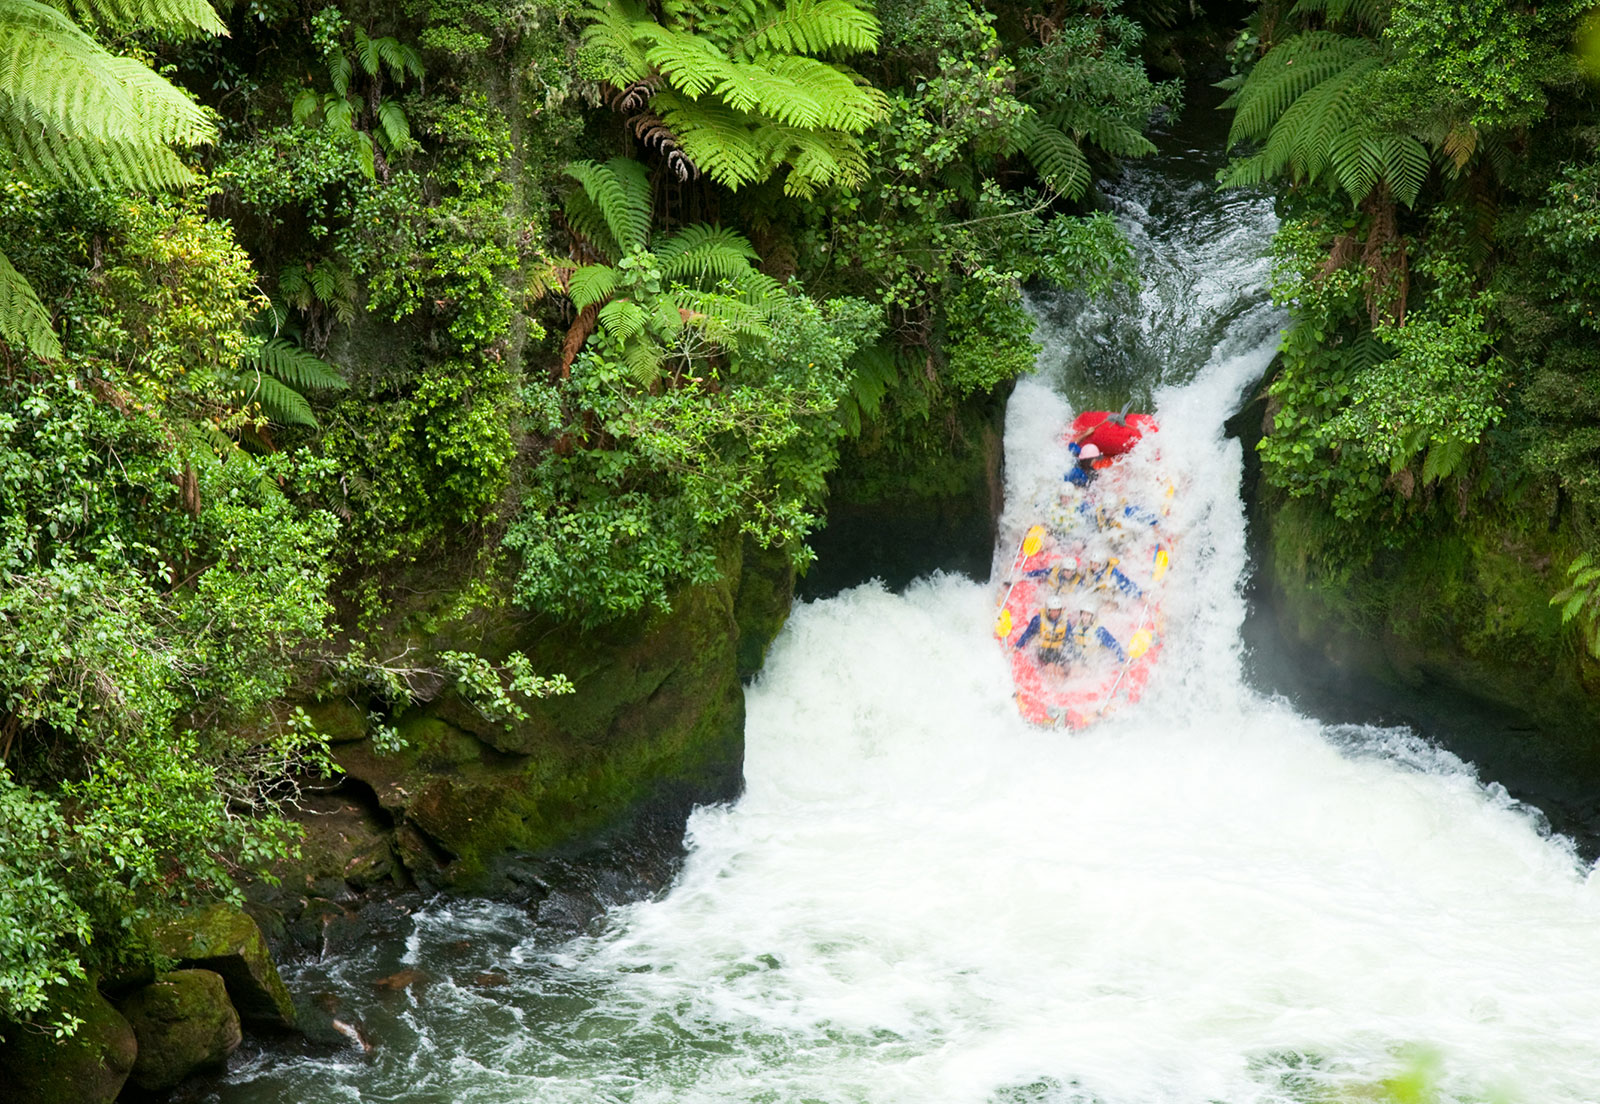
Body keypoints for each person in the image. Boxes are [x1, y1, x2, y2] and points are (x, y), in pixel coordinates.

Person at [1015, 594, 1071, 665]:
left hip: (1057, 650)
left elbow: (1070, 640)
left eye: (1058, 610)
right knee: (1051, 665)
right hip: (1043, 650)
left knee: (1061, 667)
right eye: (1053, 611)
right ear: (1048, 610)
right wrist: (1017, 646)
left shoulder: (1065, 622)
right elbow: (1027, 634)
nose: (1056, 613)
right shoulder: (1038, 620)